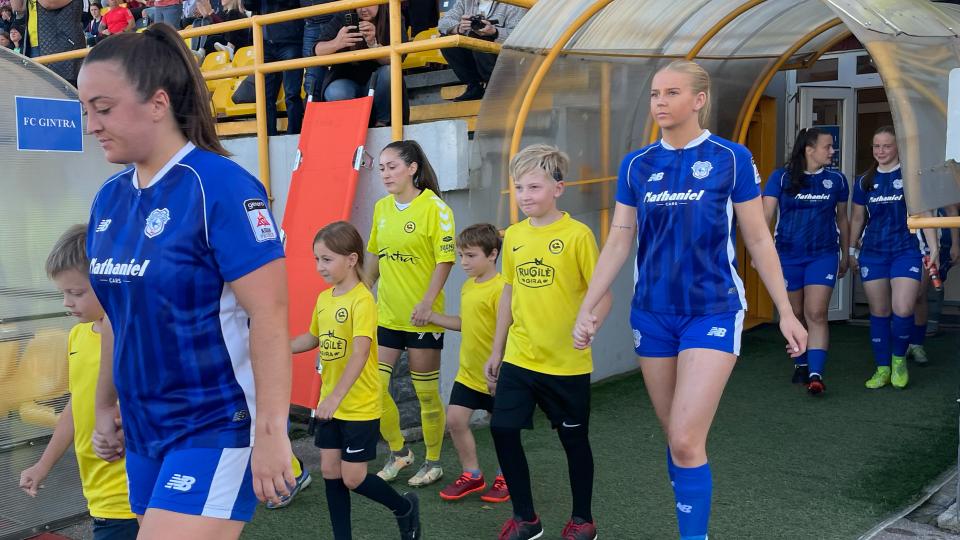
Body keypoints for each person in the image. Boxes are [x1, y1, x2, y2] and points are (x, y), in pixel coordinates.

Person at [573, 60, 807, 540]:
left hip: (713, 310)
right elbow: (619, 240)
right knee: (678, 440)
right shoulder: (637, 164)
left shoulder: (731, 157)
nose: (659, 102)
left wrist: (786, 311)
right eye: (656, 93)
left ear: (698, 100)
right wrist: (589, 305)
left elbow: (759, 240)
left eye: (671, 93)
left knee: (684, 437)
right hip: (652, 315)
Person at [79, 24, 294, 539]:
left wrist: (272, 433)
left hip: (214, 424)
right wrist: (105, 403)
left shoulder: (220, 186)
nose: (91, 125)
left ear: (157, 103)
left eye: (103, 108)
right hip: (145, 429)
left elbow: (270, 314)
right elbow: (115, 314)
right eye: (86, 110)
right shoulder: (108, 198)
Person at [485, 144, 609, 540]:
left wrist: (590, 324)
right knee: (503, 429)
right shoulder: (515, 236)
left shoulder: (578, 236)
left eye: (534, 187)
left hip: (566, 364)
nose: (525, 196)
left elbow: (602, 292)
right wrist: (497, 349)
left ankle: (582, 520)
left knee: (573, 441)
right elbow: (509, 293)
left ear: (558, 188)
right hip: (521, 357)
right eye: (519, 188)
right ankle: (526, 519)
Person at [290, 221, 422, 540]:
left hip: (358, 406)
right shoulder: (325, 299)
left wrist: (334, 397)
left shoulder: (363, 301)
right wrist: (277, 348)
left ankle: (404, 508)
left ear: (351, 259)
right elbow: (312, 337)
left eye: (326, 259)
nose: (320, 266)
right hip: (331, 405)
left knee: (353, 478)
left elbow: (361, 353)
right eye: (316, 259)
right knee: (332, 473)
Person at [19, 225, 139, 540]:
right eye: (63, 293)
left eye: (76, 292)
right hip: (97, 488)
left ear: (110, 281)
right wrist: (43, 465)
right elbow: (78, 404)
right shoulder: (77, 335)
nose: (66, 303)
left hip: (129, 490)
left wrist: (122, 425)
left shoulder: (134, 336)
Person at [367, 140, 455, 487]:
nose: (386, 174)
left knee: (425, 395)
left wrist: (428, 304)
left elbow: (444, 259)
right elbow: (374, 258)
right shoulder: (382, 208)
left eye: (392, 166)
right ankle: (400, 452)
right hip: (387, 315)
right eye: (382, 168)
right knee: (375, 387)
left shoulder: (435, 208)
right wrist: (359, 295)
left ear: (412, 168)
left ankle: (433, 461)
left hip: (423, 320)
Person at [850, 125, 939, 389]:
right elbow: (857, 217)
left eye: (886, 146)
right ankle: (882, 368)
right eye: (876, 146)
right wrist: (852, 250)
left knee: (903, 308)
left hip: (906, 250)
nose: (881, 151)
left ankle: (899, 360)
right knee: (879, 312)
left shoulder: (911, 176)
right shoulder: (864, 180)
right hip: (874, 253)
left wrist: (933, 247)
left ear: (898, 147)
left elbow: (925, 213)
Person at [762, 128, 849, 394]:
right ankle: (800, 363)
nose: (832, 151)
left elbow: (842, 220)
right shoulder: (781, 177)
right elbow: (764, 218)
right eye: (827, 147)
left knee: (816, 312)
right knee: (795, 313)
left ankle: (815, 373)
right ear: (809, 150)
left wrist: (847, 253)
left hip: (822, 255)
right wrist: (762, 255)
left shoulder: (837, 180)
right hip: (787, 256)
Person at [428, 223, 510, 504]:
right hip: (468, 372)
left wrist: (500, 367)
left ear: (492, 255)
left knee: (502, 428)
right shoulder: (467, 286)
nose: (463, 262)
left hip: (498, 375)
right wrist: (433, 317)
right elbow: (467, 324)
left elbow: (508, 331)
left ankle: (507, 476)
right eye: (461, 255)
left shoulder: (502, 290)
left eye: (471, 255)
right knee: (455, 419)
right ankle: (472, 474)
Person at [312, 3, 408, 127]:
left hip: (378, 82)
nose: (363, 9)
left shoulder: (392, 13)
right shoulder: (345, 15)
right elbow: (316, 50)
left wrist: (373, 44)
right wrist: (337, 43)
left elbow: (397, 60)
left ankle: (382, 123)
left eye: (368, 3)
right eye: (358, 4)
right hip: (347, 81)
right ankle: (351, 128)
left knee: (388, 72)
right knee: (336, 91)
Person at [437, 0, 526, 101]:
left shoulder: (515, 3)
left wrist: (494, 32)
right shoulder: (465, 2)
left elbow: (521, 37)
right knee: (447, 40)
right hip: (478, 57)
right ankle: (474, 85)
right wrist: (459, 28)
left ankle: (495, 85)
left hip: (506, 59)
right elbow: (443, 23)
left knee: (478, 37)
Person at [907, 204, 959, 362]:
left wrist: (956, 244)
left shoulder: (930, 180)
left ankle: (916, 344)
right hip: (896, 246)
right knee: (899, 298)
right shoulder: (888, 180)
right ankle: (902, 343)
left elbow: (951, 209)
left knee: (918, 294)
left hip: (928, 245)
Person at [249, 0, 303, 135]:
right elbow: (249, 5)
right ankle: (268, 137)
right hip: (265, 42)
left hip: (290, 40)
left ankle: (294, 135)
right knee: (265, 96)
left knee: (291, 93)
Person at [10, 0, 84, 84]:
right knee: (39, 88)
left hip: (61, 43)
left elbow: (49, 3)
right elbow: (18, 8)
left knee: (61, 87)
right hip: (33, 44)